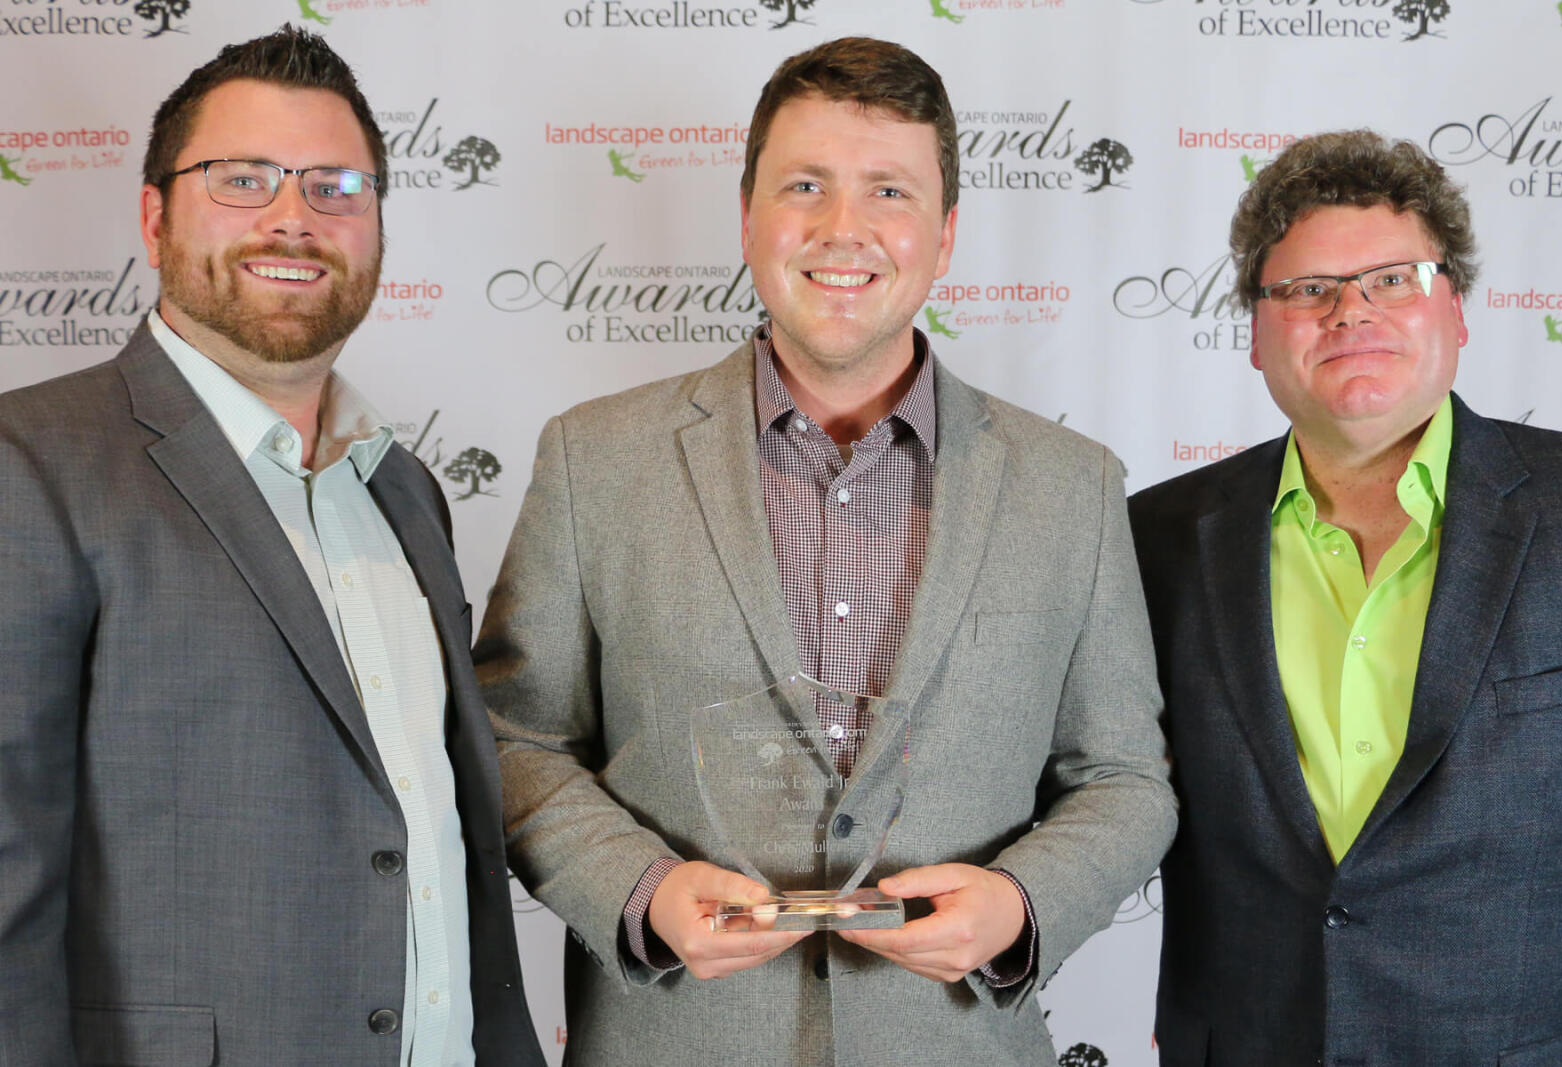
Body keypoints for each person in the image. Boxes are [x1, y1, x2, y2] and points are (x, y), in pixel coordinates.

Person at [476, 36, 1174, 1066]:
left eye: (888, 191)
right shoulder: (594, 460)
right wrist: (638, 887)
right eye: (805, 185)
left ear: (943, 237)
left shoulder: (1069, 483)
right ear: (749, 215)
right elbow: (511, 741)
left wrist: (1023, 902)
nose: (843, 229)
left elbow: (1123, 775)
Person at [0, 27, 543, 1066]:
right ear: (155, 217)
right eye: (243, 178)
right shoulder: (30, 466)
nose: (294, 217)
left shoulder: (404, 488)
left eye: (336, 186)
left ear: (378, 226)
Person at [1130, 130, 1562, 1064]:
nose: (1350, 311)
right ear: (1257, 332)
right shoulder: (1154, 538)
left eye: (1394, 279)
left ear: (1455, 311)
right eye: (1308, 290)